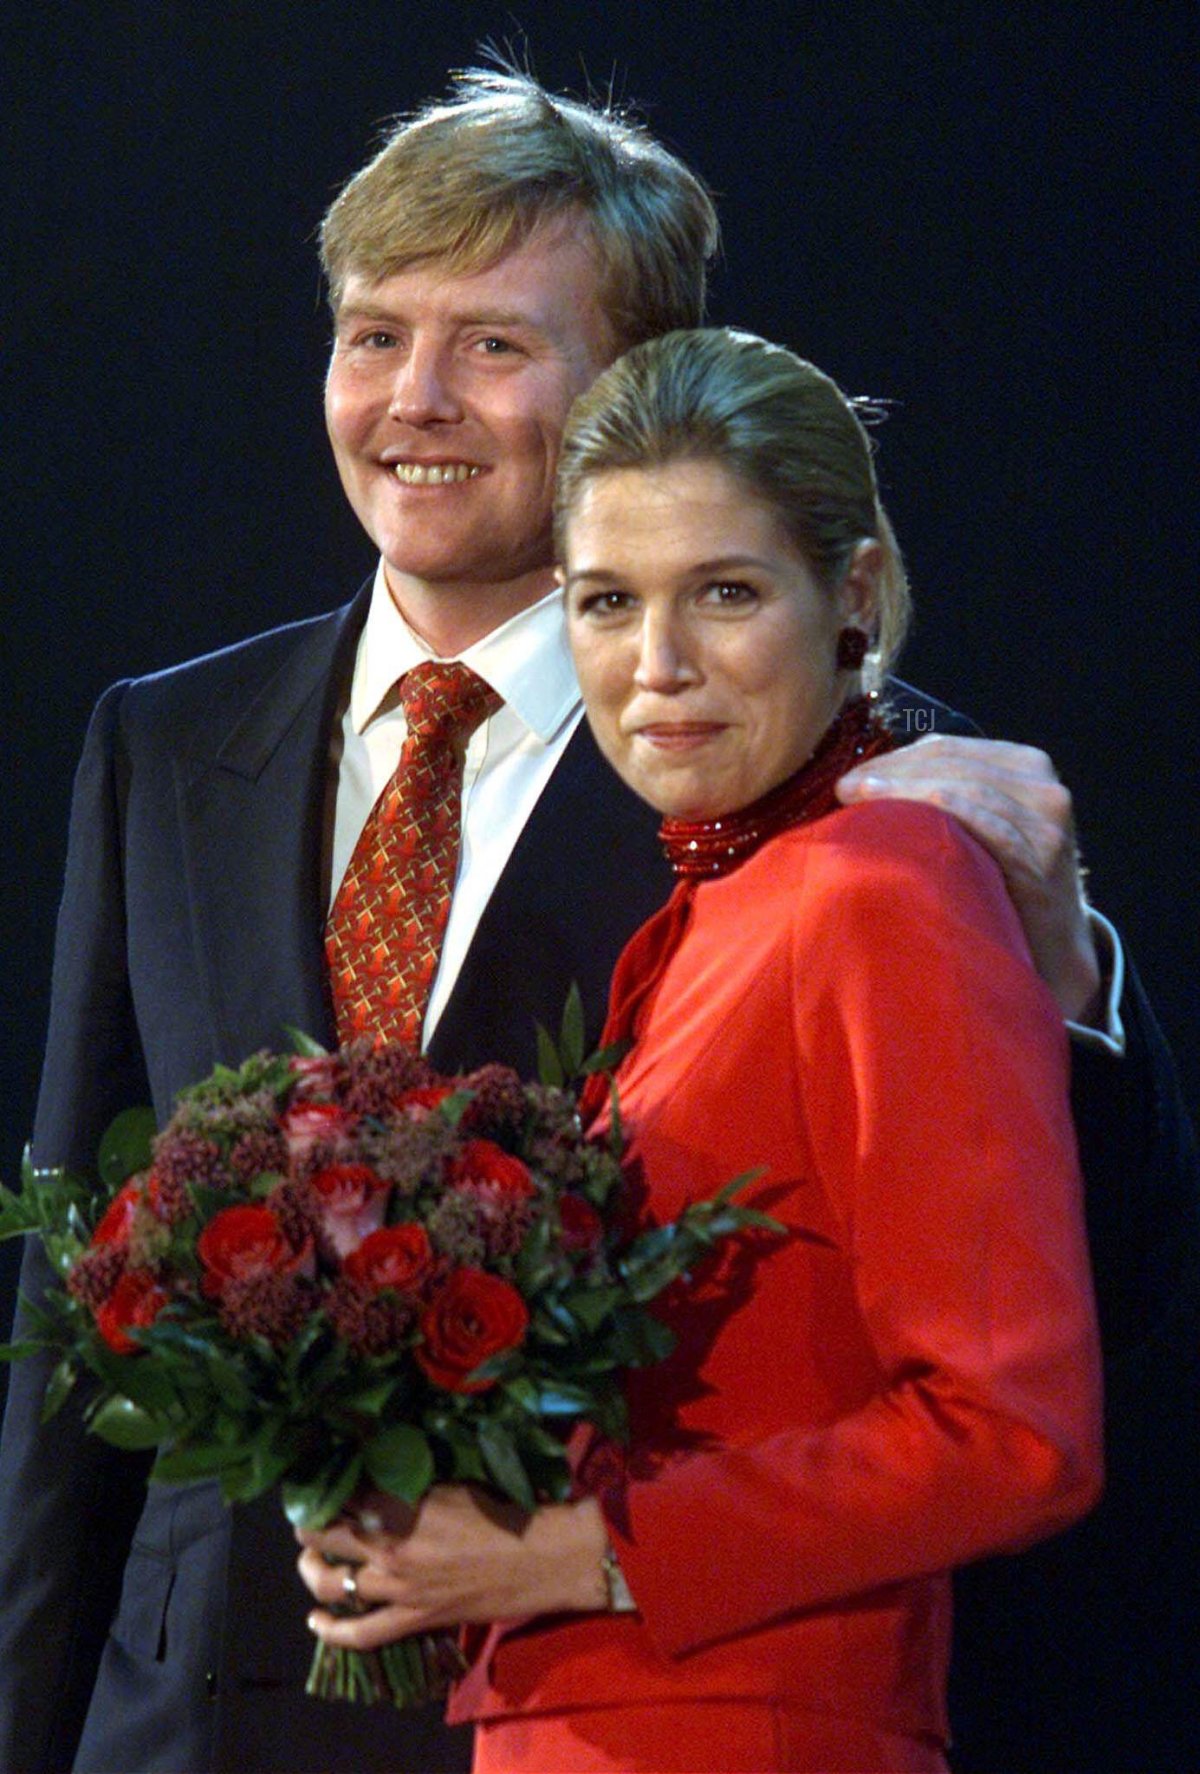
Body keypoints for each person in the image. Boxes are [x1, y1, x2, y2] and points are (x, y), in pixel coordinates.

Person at [0, 65, 1192, 1774]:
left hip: (640, 1694)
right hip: (187, 1718)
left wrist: (1072, 973)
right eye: (374, 333)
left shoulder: (834, 767)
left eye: (494, 343)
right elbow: (78, 1301)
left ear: (634, 381)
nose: (418, 398)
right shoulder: (164, 740)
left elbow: (1069, 1325)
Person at [295, 327, 1105, 1772]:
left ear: (850, 593)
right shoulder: (720, 907)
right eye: (606, 603)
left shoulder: (887, 885)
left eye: (724, 593)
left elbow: (1013, 1429)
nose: (656, 666)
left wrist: (573, 1549)